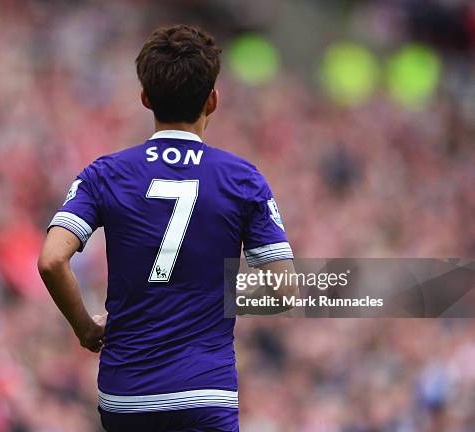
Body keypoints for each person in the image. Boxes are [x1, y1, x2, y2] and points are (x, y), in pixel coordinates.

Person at [38, 24, 298, 432]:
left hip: (126, 394)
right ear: (212, 100)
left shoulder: (104, 175)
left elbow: (52, 260)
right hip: (204, 392)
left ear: (145, 98)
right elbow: (285, 291)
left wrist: (85, 329)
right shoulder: (242, 179)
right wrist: (210, 292)